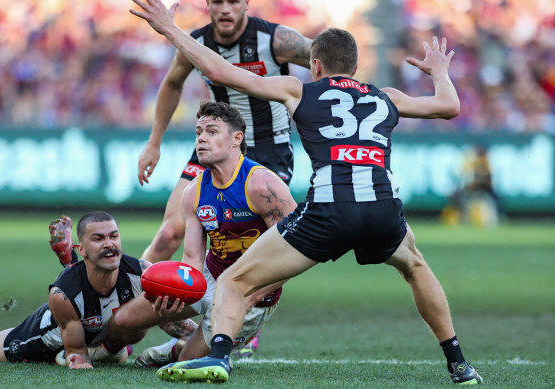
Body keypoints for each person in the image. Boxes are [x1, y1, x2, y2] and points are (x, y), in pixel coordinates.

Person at [130, 0, 484, 385]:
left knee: (233, 280)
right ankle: (459, 363)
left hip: (328, 212)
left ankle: (218, 357)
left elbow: (218, 70)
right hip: (383, 207)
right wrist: (440, 71)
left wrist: (169, 28)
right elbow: (449, 106)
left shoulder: (300, 90)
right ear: (354, 64)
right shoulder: (386, 96)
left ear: (314, 64)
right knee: (415, 267)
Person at [103, 101, 297, 369]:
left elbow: (296, 249)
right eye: (198, 132)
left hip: (251, 286)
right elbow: (193, 259)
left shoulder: (262, 185)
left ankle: (178, 349)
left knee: (188, 362)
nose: (202, 138)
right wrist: (178, 294)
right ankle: (103, 351)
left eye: (212, 131)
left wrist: (252, 296)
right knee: (124, 320)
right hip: (211, 272)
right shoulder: (193, 192)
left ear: (236, 139)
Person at [136, 0, 312, 264]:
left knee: (254, 241)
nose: (225, 9)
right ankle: (133, 297)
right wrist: (154, 142)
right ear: (207, 5)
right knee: (169, 234)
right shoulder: (196, 43)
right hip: (216, 147)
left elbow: (328, 61)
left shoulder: (276, 40)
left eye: (233, 1)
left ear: (246, 4)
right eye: (218, 2)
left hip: (268, 149)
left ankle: (251, 300)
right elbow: (172, 84)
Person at [0, 211, 153, 368]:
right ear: (82, 249)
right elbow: (77, 355)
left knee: (129, 327)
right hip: (46, 338)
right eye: (98, 239)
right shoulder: (63, 294)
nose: (109, 244)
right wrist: (80, 358)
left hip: (91, 327)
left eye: (113, 236)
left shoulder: (143, 271)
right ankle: (107, 347)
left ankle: (69, 260)